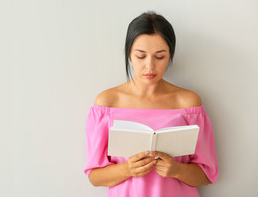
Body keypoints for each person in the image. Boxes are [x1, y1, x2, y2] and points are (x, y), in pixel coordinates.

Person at [84, 11, 218, 197]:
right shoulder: (107, 103)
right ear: (129, 55)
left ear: (170, 56)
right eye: (141, 56)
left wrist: (176, 170)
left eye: (160, 57)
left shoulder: (188, 103)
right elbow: (94, 176)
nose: (150, 66)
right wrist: (127, 169)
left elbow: (206, 174)